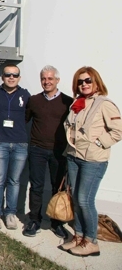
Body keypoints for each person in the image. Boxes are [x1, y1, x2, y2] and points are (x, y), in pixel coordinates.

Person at [59, 67, 122, 257]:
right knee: (77, 200)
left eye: (88, 80)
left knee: (85, 200)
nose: (84, 84)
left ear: (96, 82)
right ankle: (79, 236)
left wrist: (98, 143)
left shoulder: (104, 103)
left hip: (93, 160)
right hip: (74, 156)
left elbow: (117, 131)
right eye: (80, 81)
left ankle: (91, 241)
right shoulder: (77, 103)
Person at [23, 65, 73, 238]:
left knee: (57, 187)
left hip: (59, 151)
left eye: (50, 78)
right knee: (36, 186)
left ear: (57, 80)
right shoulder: (34, 100)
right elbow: (25, 119)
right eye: (44, 78)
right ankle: (34, 219)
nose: (47, 82)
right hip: (37, 149)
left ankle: (56, 222)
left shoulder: (68, 102)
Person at [0, 65, 30, 230]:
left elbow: (28, 115)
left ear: (19, 77)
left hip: (20, 144)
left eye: (15, 75)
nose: (11, 77)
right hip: (0, 143)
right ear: (2, 77)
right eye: (8, 75)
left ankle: (10, 213)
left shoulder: (25, 95)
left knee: (14, 181)